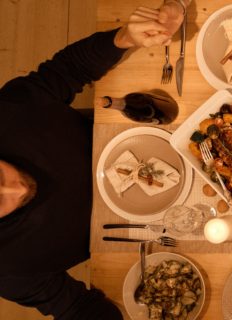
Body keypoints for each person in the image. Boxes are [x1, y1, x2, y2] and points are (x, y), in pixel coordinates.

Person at [0, 1, 187, 318]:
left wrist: (125, 37)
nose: (16, 190)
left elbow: (66, 70)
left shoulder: (8, 114)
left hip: (138, 137)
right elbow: (75, 307)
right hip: (150, 232)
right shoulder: (8, 272)